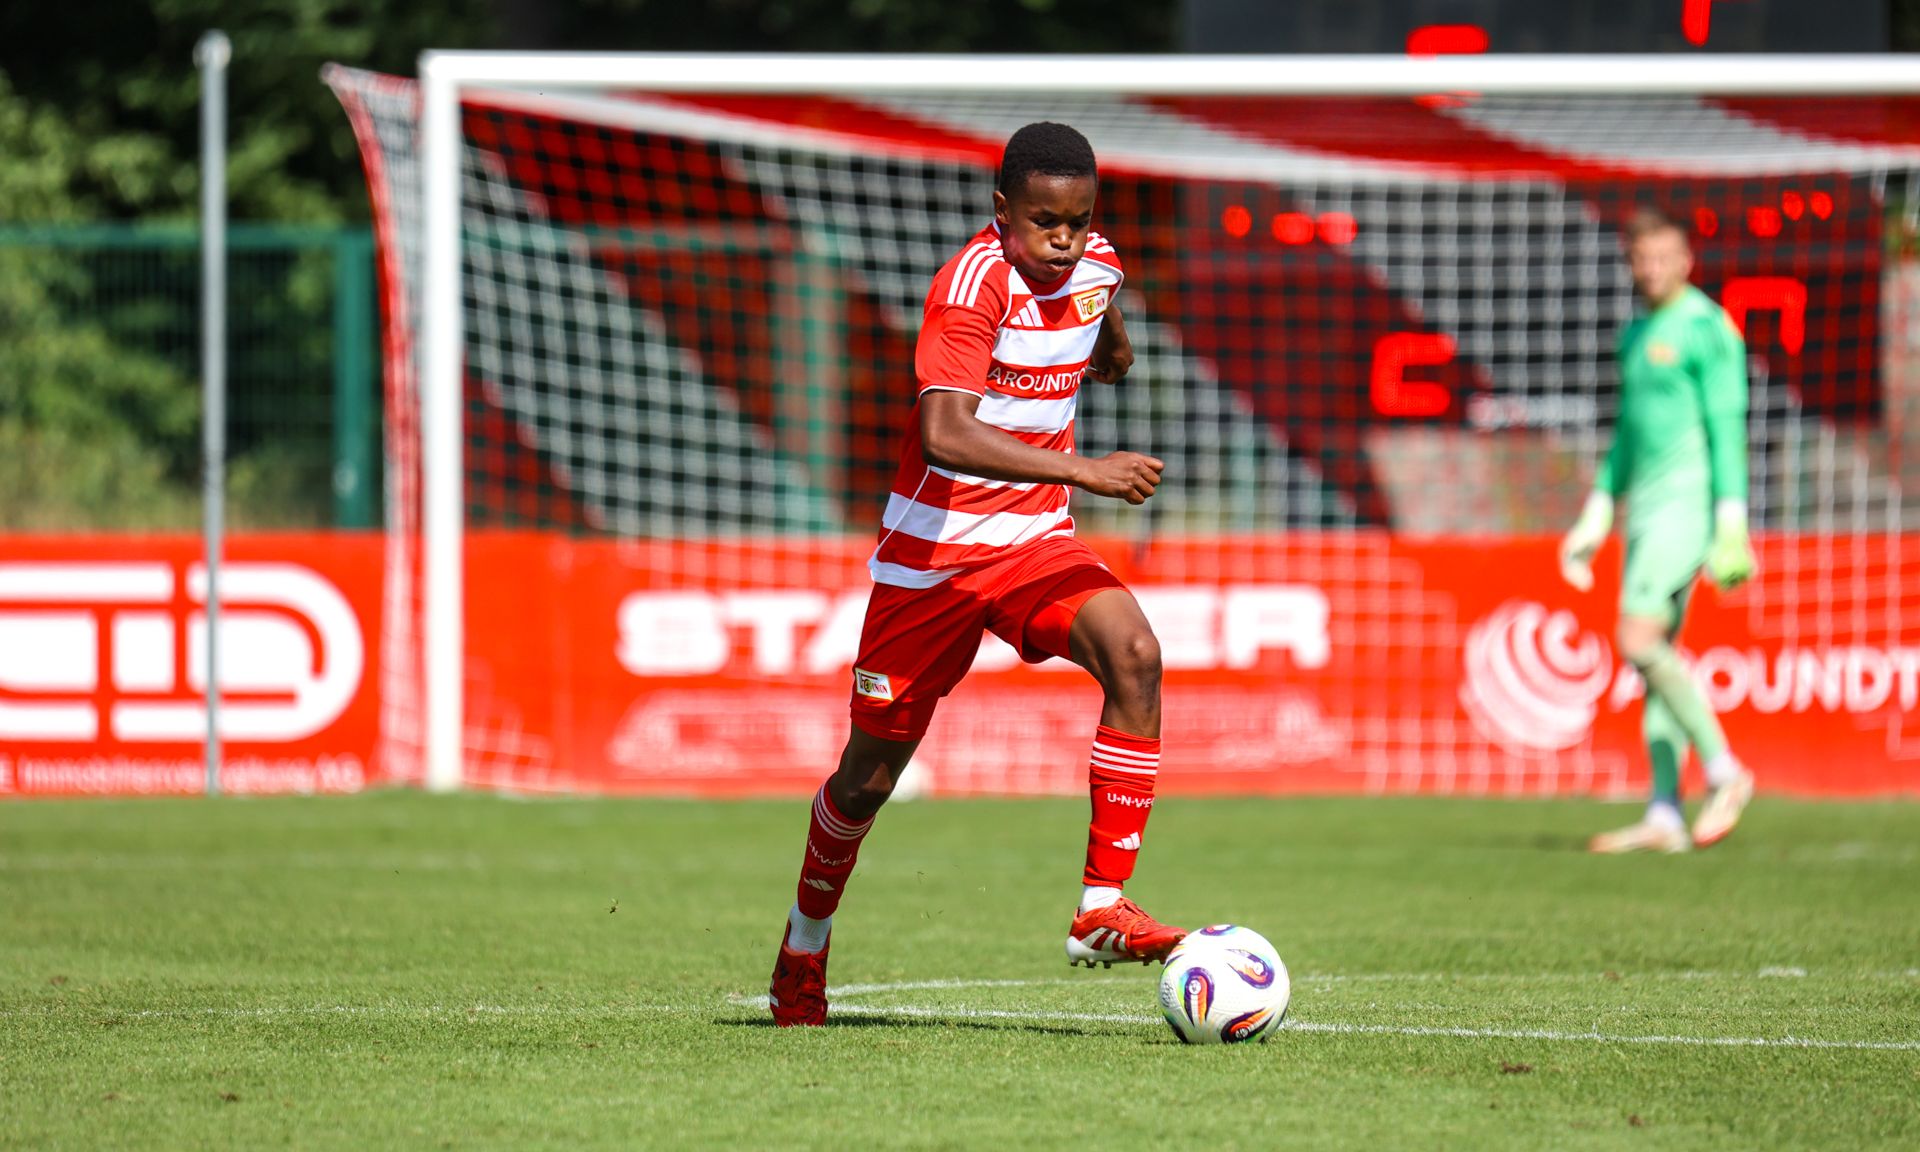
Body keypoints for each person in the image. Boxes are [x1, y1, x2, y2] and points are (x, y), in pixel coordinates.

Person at [767, 122, 1184, 1026]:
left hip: (1033, 545)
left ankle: (1099, 907)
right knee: (868, 777)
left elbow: (1102, 319)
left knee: (1135, 654)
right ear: (1003, 213)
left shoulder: (1097, 262)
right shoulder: (971, 288)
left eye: (1077, 221)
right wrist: (1088, 470)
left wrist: (1110, 351)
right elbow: (945, 434)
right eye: (1043, 223)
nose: (1062, 241)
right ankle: (804, 943)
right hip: (933, 563)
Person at [1560, 207, 1758, 854]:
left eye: (1661, 257)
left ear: (1685, 259)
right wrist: (1596, 511)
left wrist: (1730, 516)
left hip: (1685, 507)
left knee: (1637, 636)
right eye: (1639, 258)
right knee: (1655, 659)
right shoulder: (1638, 334)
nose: (1649, 269)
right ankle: (1666, 813)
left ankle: (1725, 771)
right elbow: (1627, 435)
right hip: (1643, 512)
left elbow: (1728, 422)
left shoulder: (1706, 328)